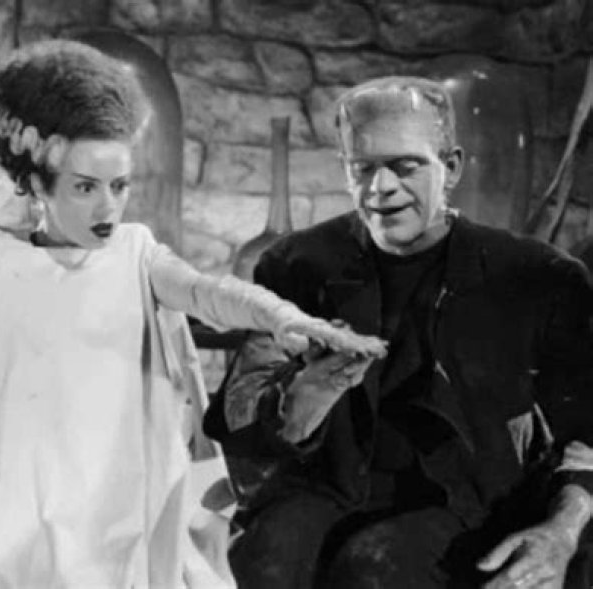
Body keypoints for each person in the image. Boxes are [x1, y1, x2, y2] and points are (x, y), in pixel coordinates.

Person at [0, 40, 387, 588]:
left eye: (119, 186)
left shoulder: (133, 252)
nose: (107, 207)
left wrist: (288, 319)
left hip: (118, 523)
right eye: (85, 187)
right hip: (20, 527)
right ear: (35, 183)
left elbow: (208, 292)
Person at [204, 76, 593, 588]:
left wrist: (561, 533)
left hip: (469, 507)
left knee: (373, 567)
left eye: (404, 166)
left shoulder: (537, 277)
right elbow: (239, 414)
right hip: (326, 488)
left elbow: (587, 435)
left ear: (451, 167)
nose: (379, 188)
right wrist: (305, 395)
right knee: (264, 556)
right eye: (362, 168)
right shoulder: (295, 264)